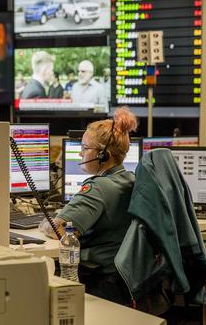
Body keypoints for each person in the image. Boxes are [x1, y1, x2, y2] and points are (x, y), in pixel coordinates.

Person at [40, 106, 138, 305]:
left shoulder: (98, 187)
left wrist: (44, 223)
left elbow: (59, 229)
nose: (80, 155)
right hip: (124, 282)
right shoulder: (130, 179)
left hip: (100, 283)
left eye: (84, 149)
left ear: (103, 155)